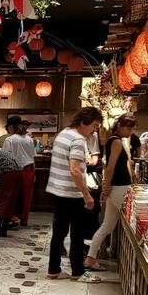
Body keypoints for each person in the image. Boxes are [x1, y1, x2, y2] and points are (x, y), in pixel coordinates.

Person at [46, 107, 103, 281]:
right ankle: (77, 272)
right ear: (84, 122)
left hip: (56, 190)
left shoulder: (63, 133)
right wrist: (87, 195)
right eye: (94, 126)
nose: (94, 130)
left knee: (59, 232)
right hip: (71, 193)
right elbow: (75, 170)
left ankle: (53, 269)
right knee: (78, 233)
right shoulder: (78, 140)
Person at [85, 113, 137, 275]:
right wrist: (106, 189)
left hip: (117, 186)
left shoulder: (114, 140)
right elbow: (110, 167)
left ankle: (91, 258)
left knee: (107, 226)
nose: (130, 132)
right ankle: (92, 258)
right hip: (119, 187)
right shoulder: (115, 142)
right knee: (120, 226)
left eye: (131, 128)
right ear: (119, 126)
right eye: (128, 128)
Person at [4, 116, 36, 226]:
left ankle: (12, 218)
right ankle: (24, 219)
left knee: (12, 195)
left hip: (15, 169)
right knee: (27, 196)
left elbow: (5, 157)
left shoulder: (10, 139)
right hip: (30, 169)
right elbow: (33, 156)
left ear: (11, 127)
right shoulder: (29, 139)